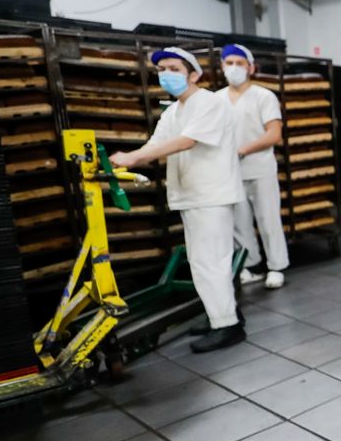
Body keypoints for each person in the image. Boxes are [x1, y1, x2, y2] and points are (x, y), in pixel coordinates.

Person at [109, 47, 246, 353]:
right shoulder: (173, 111)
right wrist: (128, 160)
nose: (166, 74)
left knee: (211, 262)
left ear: (194, 74)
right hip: (190, 195)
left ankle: (228, 327)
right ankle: (222, 316)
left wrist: (134, 157)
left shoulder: (209, 102)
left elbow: (187, 141)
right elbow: (156, 144)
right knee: (203, 262)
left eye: (174, 68)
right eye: (163, 69)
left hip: (211, 194)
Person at [217, 44, 288, 289]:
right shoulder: (216, 99)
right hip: (230, 171)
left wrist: (244, 149)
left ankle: (276, 267)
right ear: (222, 67)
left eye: (239, 63)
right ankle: (251, 265)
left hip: (260, 168)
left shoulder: (263, 96)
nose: (234, 68)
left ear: (251, 67)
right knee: (240, 223)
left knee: (268, 220)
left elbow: (274, 134)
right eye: (229, 63)